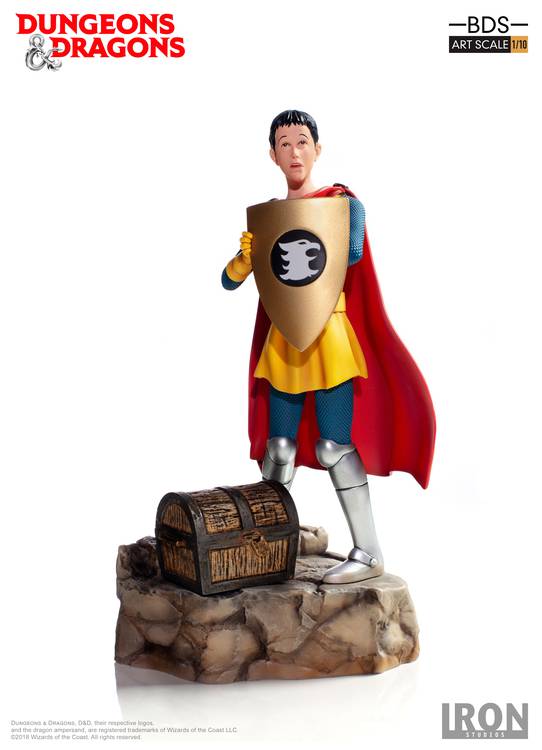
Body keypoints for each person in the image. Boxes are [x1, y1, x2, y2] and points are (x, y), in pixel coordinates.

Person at [221, 110, 436, 584]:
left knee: (333, 446)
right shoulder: (268, 217)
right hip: (285, 341)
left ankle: (369, 551)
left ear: (317, 149)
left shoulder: (342, 203)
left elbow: (350, 252)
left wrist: (337, 219)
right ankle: (266, 547)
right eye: (284, 143)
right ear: (272, 154)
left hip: (329, 337)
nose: (294, 151)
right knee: (279, 448)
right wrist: (246, 257)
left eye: (302, 141)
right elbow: (229, 281)